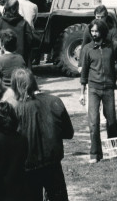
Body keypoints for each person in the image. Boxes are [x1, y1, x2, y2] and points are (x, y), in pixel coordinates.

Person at [12, 68, 74, 201]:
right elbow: (69, 133)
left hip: (29, 167)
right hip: (53, 163)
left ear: (16, 87)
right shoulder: (55, 101)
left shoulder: (17, 109)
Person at [79, 20, 117, 163]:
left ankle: (115, 151)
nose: (94, 34)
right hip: (93, 89)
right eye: (92, 31)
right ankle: (95, 154)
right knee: (93, 122)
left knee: (111, 121)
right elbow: (84, 73)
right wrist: (82, 93)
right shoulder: (87, 49)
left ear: (103, 32)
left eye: (96, 31)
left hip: (108, 89)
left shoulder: (113, 46)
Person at [0, 0, 35, 66]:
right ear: (17, 8)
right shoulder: (24, 23)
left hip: (3, 56)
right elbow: (30, 39)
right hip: (20, 57)